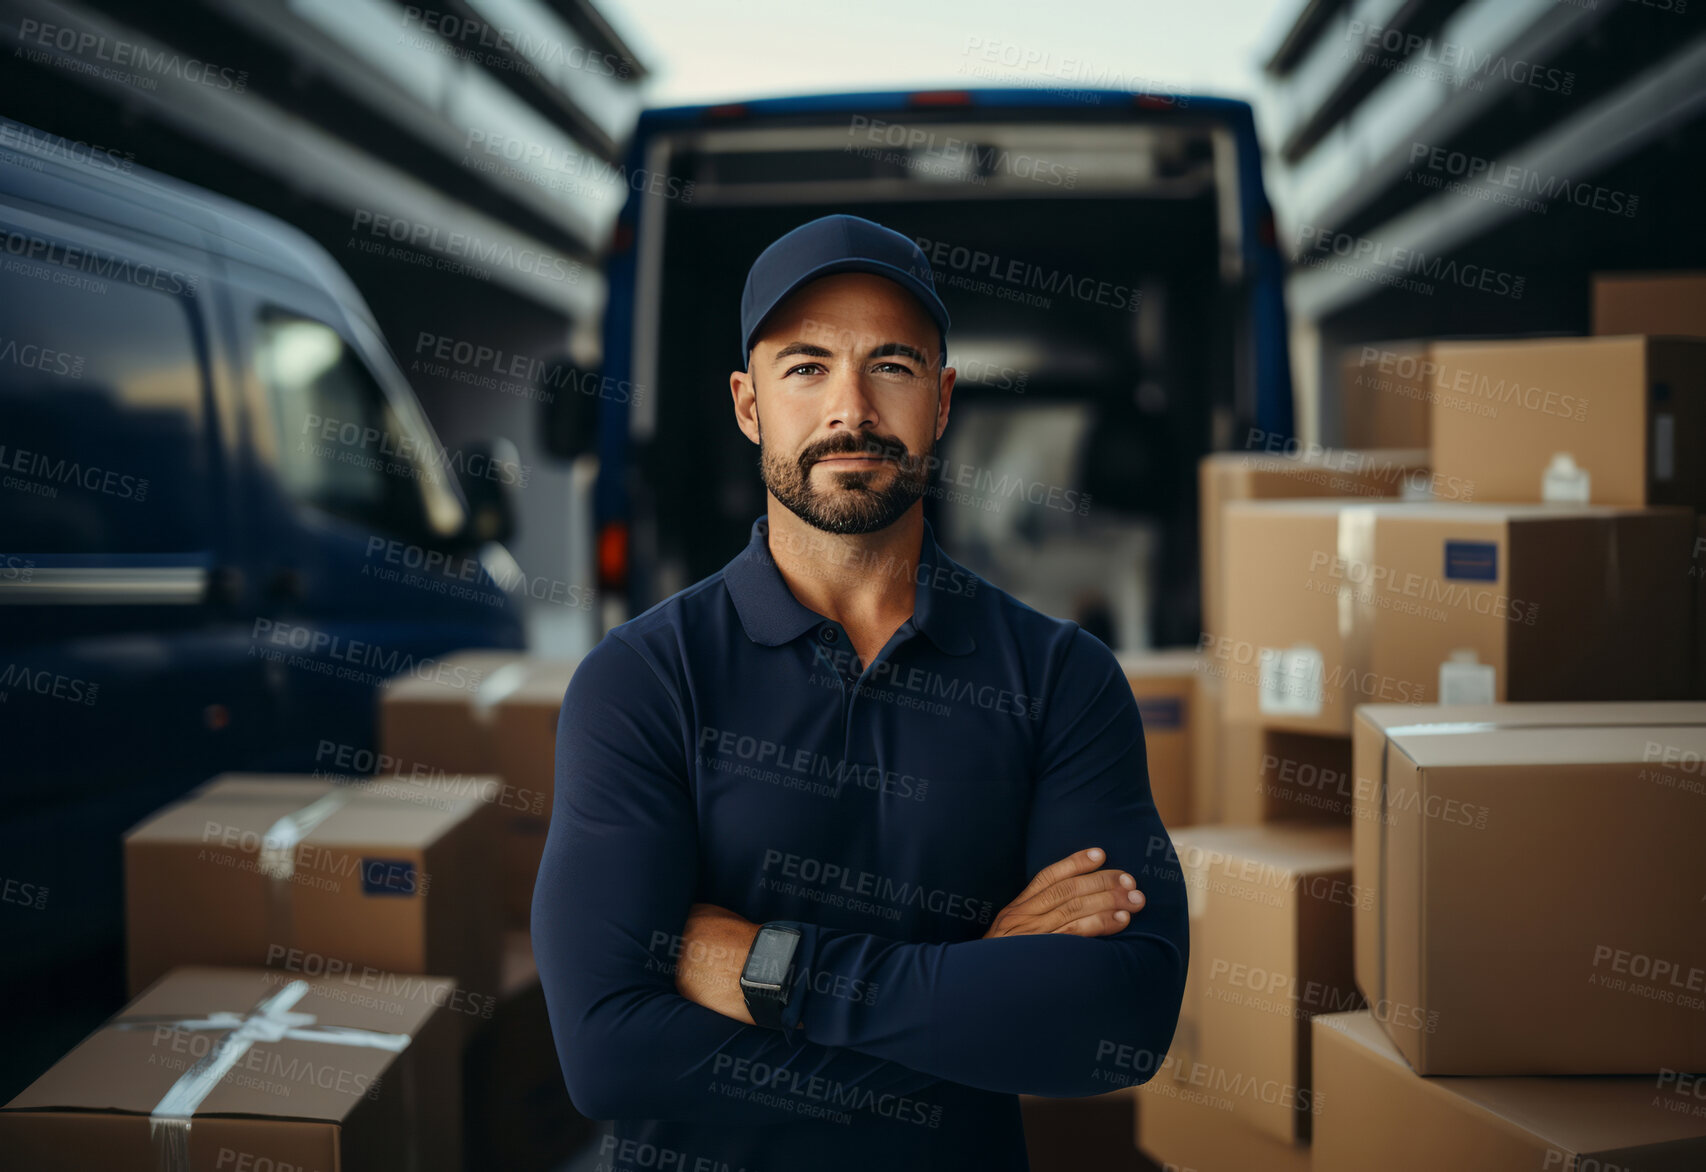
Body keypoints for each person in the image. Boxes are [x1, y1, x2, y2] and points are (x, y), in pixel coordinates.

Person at [532, 213, 1188, 1170]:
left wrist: (771, 972)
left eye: (892, 365)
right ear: (748, 404)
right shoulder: (642, 680)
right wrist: (976, 985)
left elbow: (1119, 1019)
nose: (852, 408)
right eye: (806, 367)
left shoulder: (1060, 679)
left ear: (943, 398)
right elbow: (609, 1056)